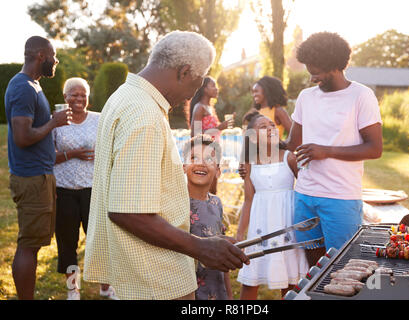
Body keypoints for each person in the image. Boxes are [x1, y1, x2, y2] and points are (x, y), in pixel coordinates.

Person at [83, 30, 249, 300]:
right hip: (155, 277)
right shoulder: (144, 115)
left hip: (142, 271)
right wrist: (202, 248)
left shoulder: (124, 96)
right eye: (195, 86)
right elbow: (128, 212)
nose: (189, 97)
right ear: (184, 71)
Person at [284, 32, 383, 266]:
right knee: (313, 267)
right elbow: (292, 143)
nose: (311, 78)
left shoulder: (361, 95)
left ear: (334, 67)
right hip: (305, 195)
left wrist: (326, 151)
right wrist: (264, 141)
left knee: (342, 266)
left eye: (315, 72)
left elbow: (374, 148)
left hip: (340, 197)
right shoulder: (306, 97)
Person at [4, 36, 71, 300]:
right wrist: (53, 123)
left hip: (40, 177)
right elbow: (23, 137)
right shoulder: (23, 87)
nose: (56, 61)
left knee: (34, 244)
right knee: (29, 246)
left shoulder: (33, 85)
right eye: (54, 56)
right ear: (41, 55)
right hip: (31, 178)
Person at [52, 77, 117, 300]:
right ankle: (73, 289)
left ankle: (106, 287)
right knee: (67, 243)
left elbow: (113, 147)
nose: (79, 99)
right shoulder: (56, 122)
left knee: (100, 239)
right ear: (65, 97)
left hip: (93, 190)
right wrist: (72, 154)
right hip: (64, 190)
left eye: (83, 95)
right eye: (74, 95)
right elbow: (46, 157)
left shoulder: (100, 119)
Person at [236, 112, 308, 300]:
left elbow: (304, 190)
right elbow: (248, 200)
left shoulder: (289, 157)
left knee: (291, 280)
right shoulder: (248, 163)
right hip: (260, 225)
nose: (270, 128)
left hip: (287, 223)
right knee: (251, 278)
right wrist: (239, 233)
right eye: (262, 126)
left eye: (272, 125)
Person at [183, 134, 233, 300]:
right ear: (184, 166)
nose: (201, 163)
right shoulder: (177, 204)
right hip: (186, 291)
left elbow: (221, 252)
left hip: (215, 290)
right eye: (194, 157)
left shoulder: (216, 203)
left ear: (218, 171)